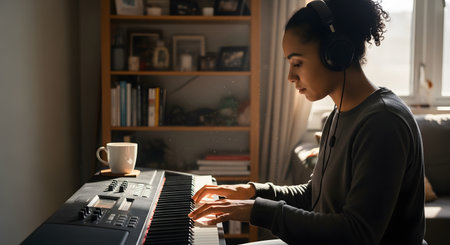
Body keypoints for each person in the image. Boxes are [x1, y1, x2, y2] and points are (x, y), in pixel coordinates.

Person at [188, 0, 426, 244]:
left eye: (297, 63)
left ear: (335, 54)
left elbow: (358, 233)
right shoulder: (338, 114)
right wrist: (252, 192)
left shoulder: (384, 122)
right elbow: (314, 196)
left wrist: (255, 210)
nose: (291, 77)